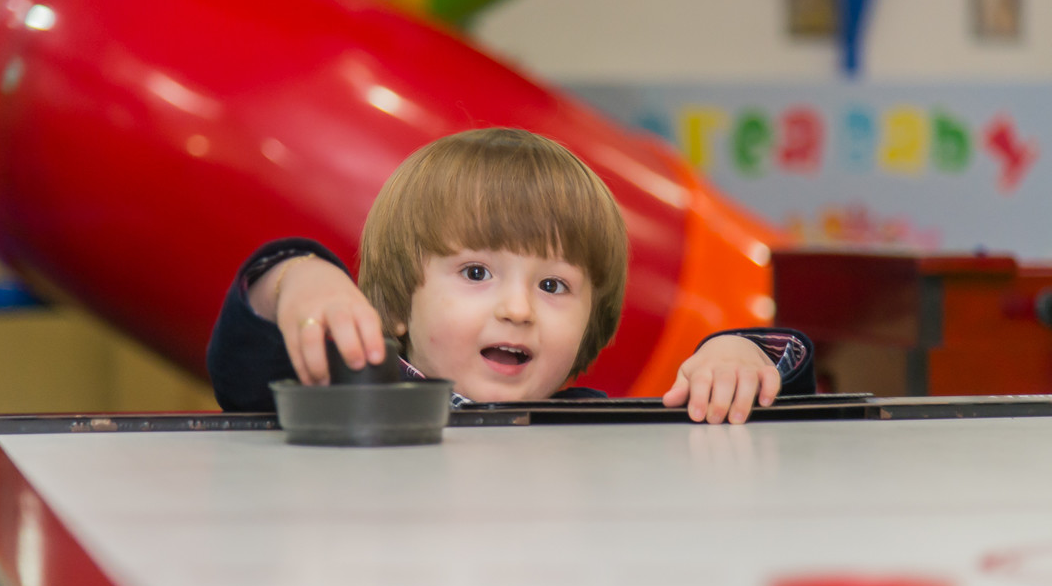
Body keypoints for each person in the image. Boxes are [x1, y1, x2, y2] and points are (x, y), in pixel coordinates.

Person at [207, 128, 814, 423]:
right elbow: (243, 372)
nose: (518, 310)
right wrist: (299, 277)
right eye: (476, 272)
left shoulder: (596, 429)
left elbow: (794, 430)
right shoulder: (354, 398)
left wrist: (737, 355)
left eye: (553, 286)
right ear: (394, 305)